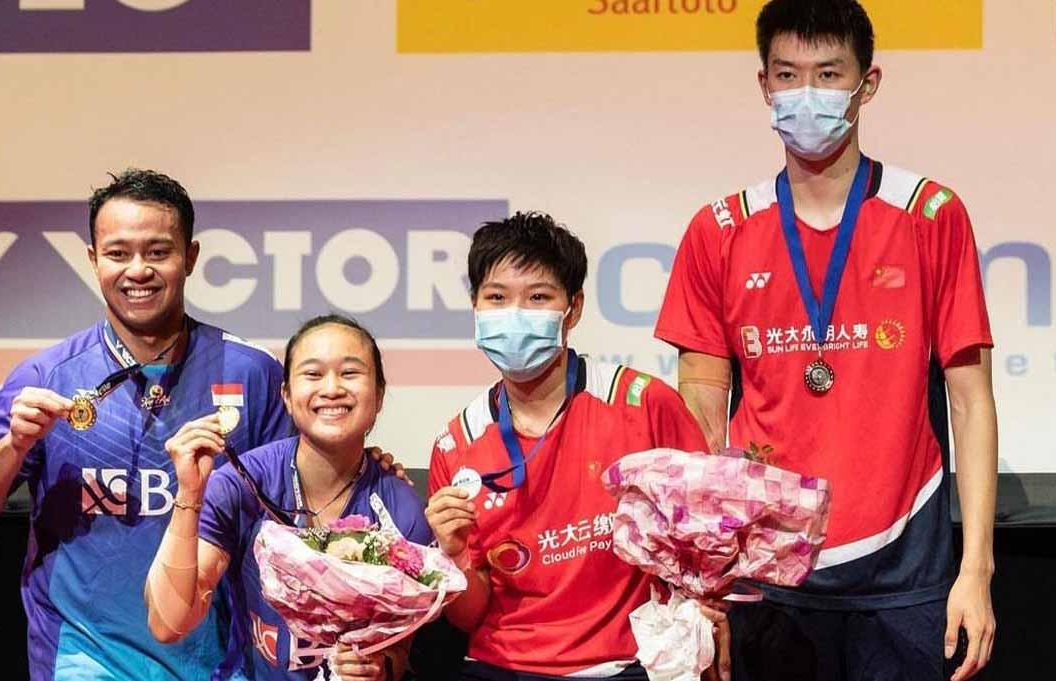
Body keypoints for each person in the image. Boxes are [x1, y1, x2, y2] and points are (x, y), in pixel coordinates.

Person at [654, 2, 998, 679]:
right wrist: (701, 584)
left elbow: (972, 401)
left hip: (904, 577)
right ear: (764, 87)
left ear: (867, 84)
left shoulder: (931, 214)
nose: (806, 94)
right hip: (768, 579)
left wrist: (977, 569)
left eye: (828, 74)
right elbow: (698, 415)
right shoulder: (718, 229)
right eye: (788, 74)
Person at [0, 169, 294, 680]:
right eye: (118, 253)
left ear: (190, 258)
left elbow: (296, 516)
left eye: (157, 252)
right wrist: (14, 446)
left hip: (217, 663)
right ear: (92, 260)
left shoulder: (251, 373)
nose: (137, 270)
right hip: (83, 661)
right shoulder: (48, 376)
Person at [425, 212, 714, 680]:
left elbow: (707, 541)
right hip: (499, 667)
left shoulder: (644, 404)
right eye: (496, 298)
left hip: (626, 665)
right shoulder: (455, 445)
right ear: (475, 307)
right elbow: (468, 616)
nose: (514, 315)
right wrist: (453, 553)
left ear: (573, 309)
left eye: (538, 297)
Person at [145, 314, 429, 681]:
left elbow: (400, 651)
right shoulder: (241, 485)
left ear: (379, 396)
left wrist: (379, 666)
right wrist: (189, 493)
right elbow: (169, 623)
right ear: (286, 396)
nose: (332, 389)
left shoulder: (400, 508)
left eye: (350, 373)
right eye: (312, 374)